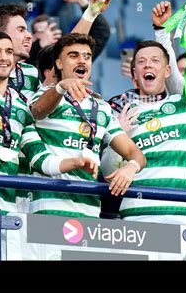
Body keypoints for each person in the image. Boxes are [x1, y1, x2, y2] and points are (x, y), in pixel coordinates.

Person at [0, 31, 99, 214]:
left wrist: (76, 163)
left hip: (7, 213)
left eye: (9, 52)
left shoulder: (21, 107)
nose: (4, 57)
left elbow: (41, 159)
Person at [28, 33, 145, 218]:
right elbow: (38, 111)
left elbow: (135, 153)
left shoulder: (102, 107)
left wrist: (131, 167)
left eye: (87, 56)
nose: (82, 60)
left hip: (89, 212)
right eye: (73, 56)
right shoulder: (44, 94)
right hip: (47, 209)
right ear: (59, 63)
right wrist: (60, 87)